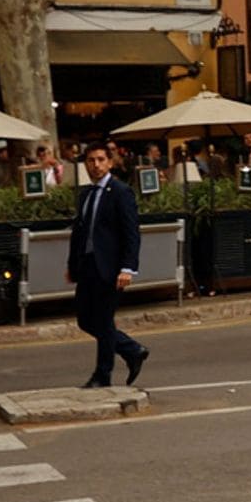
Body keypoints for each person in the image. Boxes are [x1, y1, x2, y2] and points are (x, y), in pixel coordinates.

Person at [67, 143, 149, 389]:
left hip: (111, 268)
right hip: (88, 265)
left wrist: (127, 268)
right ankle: (132, 349)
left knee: (103, 321)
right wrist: (72, 264)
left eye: (101, 159)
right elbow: (79, 232)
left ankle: (102, 376)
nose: (96, 165)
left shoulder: (120, 192)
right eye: (91, 160)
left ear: (110, 162)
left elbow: (131, 233)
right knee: (85, 319)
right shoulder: (86, 194)